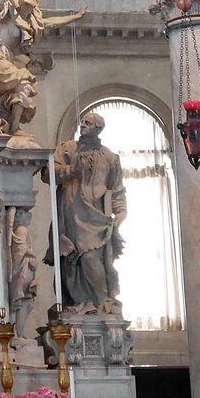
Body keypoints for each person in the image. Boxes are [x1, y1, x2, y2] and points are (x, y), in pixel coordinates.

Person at [51, 111, 128, 313]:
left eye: (88, 123)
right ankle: (79, 303)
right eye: (82, 122)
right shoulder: (67, 149)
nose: (82, 125)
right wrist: (70, 171)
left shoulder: (110, 158)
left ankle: (101, 302)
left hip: (96, 218)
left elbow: (117, 189)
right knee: (70, 260)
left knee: (91, 259)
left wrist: (120, 212)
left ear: (98, 129)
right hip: (70, 215)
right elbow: (47, 173)